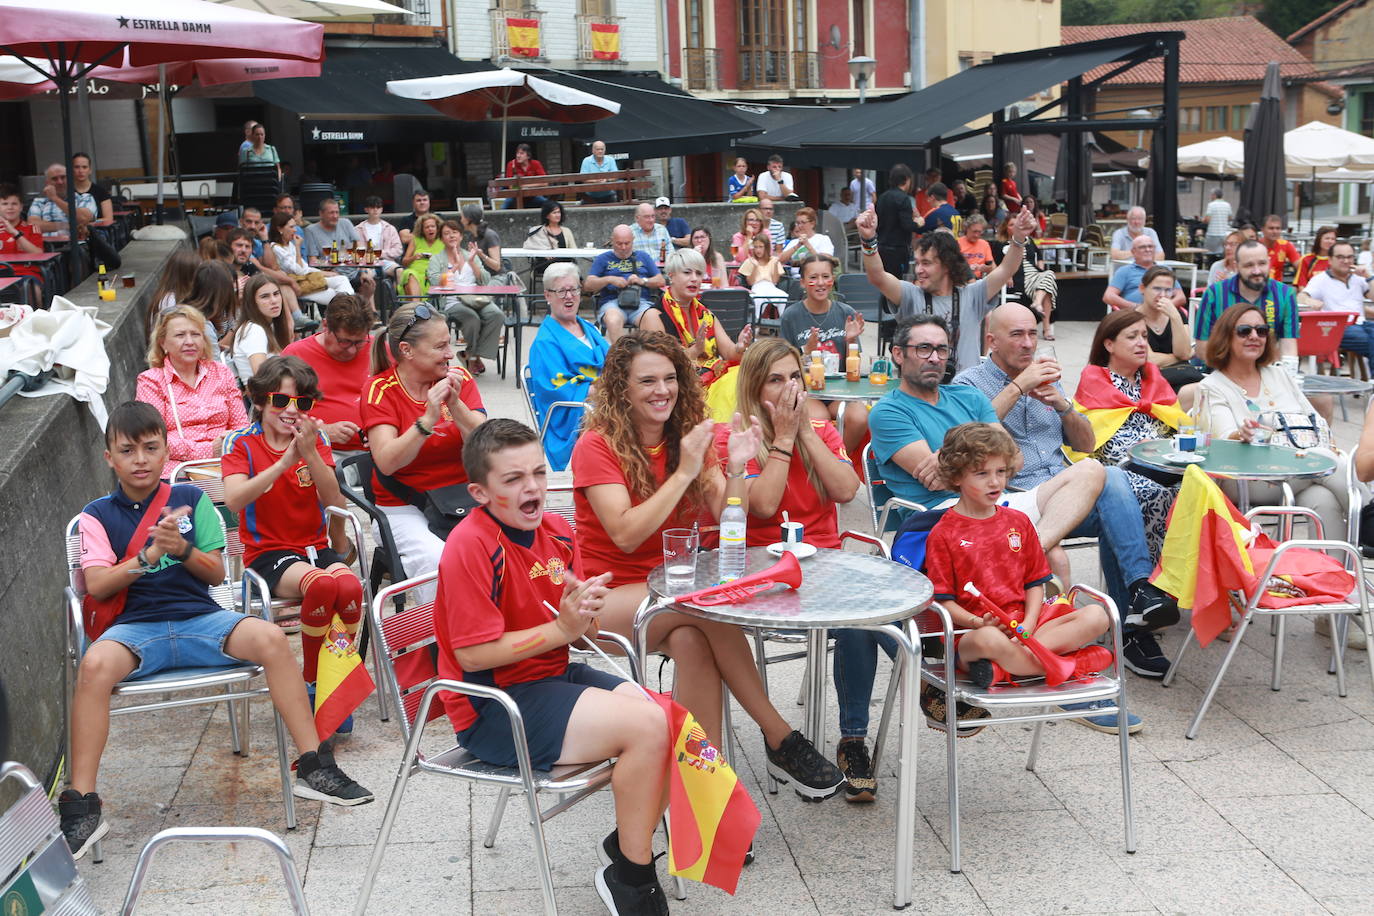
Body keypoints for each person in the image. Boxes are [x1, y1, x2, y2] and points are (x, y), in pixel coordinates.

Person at [60, 401, 372, 859]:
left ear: (167, 451)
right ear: (110, 457)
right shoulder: (95, 515)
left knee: (268, 638)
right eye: (128, 450)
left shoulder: (193, 500)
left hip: (201, 619)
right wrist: (145, 559)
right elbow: (99, 584)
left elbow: (215, 574)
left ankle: (313, 764)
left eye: (150, 447)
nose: (140, 459)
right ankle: (82, 804)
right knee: (92, 666)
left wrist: (181, 549)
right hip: (135, 628)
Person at [570, 332, 845, 799]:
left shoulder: (688, 439)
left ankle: (704, 798)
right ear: (622, 389)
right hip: (602, 601)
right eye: (647, 381)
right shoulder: (597, 446)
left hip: (670, 597)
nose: (663, 390)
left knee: (694, 643)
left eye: (671, 378)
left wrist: (734, 469)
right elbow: (626, 532)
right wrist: (684, 472)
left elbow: (727, 517)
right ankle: (779, 736)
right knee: (702, 609)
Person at [432, 418, 671, 912]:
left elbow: (578, 634)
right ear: (479, 492)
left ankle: (628, 851)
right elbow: (473, 655)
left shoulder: (558, 531)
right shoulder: (470, 545)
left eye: (539, 473)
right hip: (492, 706)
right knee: (647, 729)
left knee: (672, 720)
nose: (533, 488)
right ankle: (633, 877)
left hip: (549, 677)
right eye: (513, 480)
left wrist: (582, 615)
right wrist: (561, 630)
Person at [953, 303, 1181, 693]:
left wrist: (1064, 406)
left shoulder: (1049, 381)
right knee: (1112, 479)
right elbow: (967, 438)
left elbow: (1087, 443)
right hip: (1014, 498)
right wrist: (1018, 386)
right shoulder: (968, 384)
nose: (1028, 344)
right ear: (991, 340)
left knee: (1116, 487)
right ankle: (1131, 607)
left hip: (1065, 493)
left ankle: (1132, 610)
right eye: (1017, 335)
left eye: (1032, 334)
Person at [222, 357, 364, 730]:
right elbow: (235, 500)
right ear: (258, 401)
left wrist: (311, 454)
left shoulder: (313, 439)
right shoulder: (242, 443)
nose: (291, 411)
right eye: (280, 401)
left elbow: (334, 501)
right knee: (322, 584)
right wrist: (285, 462)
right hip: (267, 554)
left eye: (302, 403)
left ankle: (334, 679)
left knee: (348, 586)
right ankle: (312, 683)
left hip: (313, 548)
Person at [924, 423, 1111, 691]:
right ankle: (1073, 665)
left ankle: (1005, 669)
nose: (995, 481)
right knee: (988, 639)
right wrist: (977, 621)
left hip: (1027, 626)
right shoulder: (943, 533)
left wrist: (1028, 624)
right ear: (956, 478)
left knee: (1097, 615)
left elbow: (1034, 582)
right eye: (981, 473)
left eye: (1001, 471)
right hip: (973, 633)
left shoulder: (1019, 522)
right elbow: (943, 600)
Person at [1198, 302, 1351, 551]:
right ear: (1226, 336)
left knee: (1323, 500)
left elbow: (1316, 422)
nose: (1254, 337)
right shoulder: (1213, 386)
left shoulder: (1279, 375)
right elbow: (1223, 438)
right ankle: (1368, 516)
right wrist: (1242, 433)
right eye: (1244, 330)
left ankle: (1337, 581)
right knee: (1325, 461)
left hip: (1297, 471)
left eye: (1261, 330)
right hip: (1249, 478)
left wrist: (1328, 443)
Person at [361, 304, 486, 596]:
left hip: (461, 498)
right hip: (403, 507)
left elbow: (485, 446)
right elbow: (387, 462)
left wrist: (456, 406)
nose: (451, 354)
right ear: (407, 350)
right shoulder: (380, 389)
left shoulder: (458, 379)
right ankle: (436, 640)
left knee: (510, 546)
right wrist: (427, 420)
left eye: (451, 343)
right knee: (437, 562)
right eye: (441, 346)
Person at [856, 204, 1035, 374]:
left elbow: (1006, 269)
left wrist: (1019, 237)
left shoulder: (973, 295)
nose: (919, 270)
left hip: (964, 392)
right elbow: (877, 276)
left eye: (926, 263)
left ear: (947, 265)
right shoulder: (910, 295)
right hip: (919, 392)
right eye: (917, 263)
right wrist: (868, 239)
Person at [1071, 309, 1187, 556]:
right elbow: (1087, 439)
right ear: (1109, 344)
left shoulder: (1154, 379)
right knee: (1155, 493)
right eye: (1132, 336)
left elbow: (1177, 424)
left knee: (1199, 487)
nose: (1142, 343)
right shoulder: (1096, 382)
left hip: (1165, 464)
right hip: (1119, 471)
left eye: (1144, 336)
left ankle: (1191, 576)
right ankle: (1150, 583)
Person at [135, 307, 249, 476]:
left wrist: (228, 443)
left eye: (196, 334)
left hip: (227, 462)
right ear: (163, 342)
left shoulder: (221, 373)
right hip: (179, 470)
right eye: (180, 335)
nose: (189, 341)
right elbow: (153, 438)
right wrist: (208, 450)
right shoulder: (151, 381)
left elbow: (241, 426)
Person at [779, 254, 869, 454]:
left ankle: (839, 461)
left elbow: (853, 367)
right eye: (813, 278)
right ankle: (824, 469)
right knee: (818, 419)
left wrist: (851, 340)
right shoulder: (791, 316)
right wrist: (806, 351)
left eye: (825, 277)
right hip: (808, 391)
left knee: (859, 417)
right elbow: (782, 365)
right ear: (802, 282)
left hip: (840, 391)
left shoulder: (845, 312)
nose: (820, 283)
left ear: (833, 280)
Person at [528, 263, 609, 471]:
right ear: (547, 295)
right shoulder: (545, 342)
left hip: (602, 399)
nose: (569, 296)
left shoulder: (588, 327)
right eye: (561, 291)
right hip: (573, 412)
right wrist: (608, 391)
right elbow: (559, 388)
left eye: (573, 289)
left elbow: (614, 362)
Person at [639, 248, 752, 389]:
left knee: (749, 379)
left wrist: (740, 347)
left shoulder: (706, 315)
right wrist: (695, 351)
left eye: (698, 273)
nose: (694, 278)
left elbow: (729, 353)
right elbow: (661, 366)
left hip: (710, 379)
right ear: (671, 276)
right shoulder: (654, 316)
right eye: (687, 272)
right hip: (677, 389)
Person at [283, 295, 372, 458]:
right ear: (325, 326)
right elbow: (276, 412)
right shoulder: (296, 355)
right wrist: (322, 431)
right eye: (344, 342)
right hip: (324, 451)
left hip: (378, 449)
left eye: (359, 342)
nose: (352, 350)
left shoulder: (378, 350)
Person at [1194, 238, 1299, 363]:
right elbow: (1202, 348)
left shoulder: (1285, 294)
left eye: (1262, 263)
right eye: (1249, 265)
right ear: (1236, 266)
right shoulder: (1215, 294)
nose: (1256, 271)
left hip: (1267, 370)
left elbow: (1289, 348)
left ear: (1269, 263)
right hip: (1221, 370)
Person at [428, 219, 503, 376]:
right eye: (446, 233)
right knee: (472, 318)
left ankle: (470, 354)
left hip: (476, 298)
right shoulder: (436, 259)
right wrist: (454, 266)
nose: (451, 236)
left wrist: (472, 263)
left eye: (454, 232)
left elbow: (485, 280)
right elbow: (435, 282)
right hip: (452, 300)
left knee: (496, 315)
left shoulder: (471, 255)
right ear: (441, 238)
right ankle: (473, 356)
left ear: (461, 236)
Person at [1298, 240, 1374, 360]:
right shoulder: (1320, 280)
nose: (1346, 261)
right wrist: (1311, 302)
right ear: (1330, 260)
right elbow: (1301, 296)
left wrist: (1368, 276)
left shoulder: (1358, 279)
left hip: (1362, 323)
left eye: (1349, 257)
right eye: (1340, 257)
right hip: (1338, 327)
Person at [585, 225, 663, 340]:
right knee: (613, 319)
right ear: (612, 241)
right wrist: (609, 279)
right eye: (619, 244)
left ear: (633, 240)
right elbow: (588, 285)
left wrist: (642, 281)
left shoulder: (643, 256)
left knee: (654, 317)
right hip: (612, 303)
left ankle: (654, 354)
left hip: (640, 302)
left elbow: (660, 280)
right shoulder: (603, 258)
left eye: (627, 243)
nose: (623, 247)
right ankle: (619, 355)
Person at [1135, 266, 1203, 392]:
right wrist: (1180, 358)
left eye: (1168, 290)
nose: (1162, 295)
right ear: (1142, 289)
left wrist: (1175, 317)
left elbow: (1183, 352)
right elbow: (1150, 360)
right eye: (1157, 289)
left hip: (1182, 376)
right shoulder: (1133, 318)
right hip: (1150, 381)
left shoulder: (1176, 315)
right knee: (1201, 392)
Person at [269, 213, 354, 309]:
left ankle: (350, 312)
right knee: (337, 296)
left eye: (295, 226)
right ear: (280, 229)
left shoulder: (289, 245)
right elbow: (299, 271)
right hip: (299, 285)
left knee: (342, 279)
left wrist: (324, 273)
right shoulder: (276, 248)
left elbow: (305, 268)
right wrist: (298, 247)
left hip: (308, 280)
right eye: (291, 227)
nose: (295, 230)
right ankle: (351, 312)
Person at [300, 199, 375, 304]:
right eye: (331, 213)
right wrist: (330, 266)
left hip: (352, 270)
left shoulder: (345, 223)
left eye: (337, 212)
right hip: (330, 272)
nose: (335, 216)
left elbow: (359, 249)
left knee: (369, 283)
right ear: (321, 214)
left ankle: (368, 313)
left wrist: (363, 271)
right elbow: (312, 260)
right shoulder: (311, 230)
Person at [874, 164, 924, 313]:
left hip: (882, 247)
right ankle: (895, 319)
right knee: (897, 286)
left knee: (884, 284)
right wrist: (918, 223)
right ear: (907, 180)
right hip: (897, 249)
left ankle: (884, 318)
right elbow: (907, 225)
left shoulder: (882, 197)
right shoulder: (904, 199)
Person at [230, 274, 292, 384]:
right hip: (265, 397)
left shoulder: (269, 326)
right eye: (265, 296)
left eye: (276, 294)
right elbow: (262, 379)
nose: (273, 300)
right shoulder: (254, 330)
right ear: (252, 302)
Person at [1104, 234, 1186, 312]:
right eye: (1142, 247)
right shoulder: (1125, 271)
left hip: (1163, 314)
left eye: (1150, 246)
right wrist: (1136, 307)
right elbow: (1108, 296)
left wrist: (1164, 307)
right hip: (1134, 315)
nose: (1148, 249)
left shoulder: (1165, 270)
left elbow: (1181, 297)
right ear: (1133, 251)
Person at [0, 183, 44, 303]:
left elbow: (39, 254)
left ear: (21, 207)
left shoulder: (31, 228)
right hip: (1, 274)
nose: (10, 207)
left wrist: (15, 233)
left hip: (25, 274)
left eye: (14, 204)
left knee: (33, 289)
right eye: (5, 204)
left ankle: (36, 320)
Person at [181, 260, 239, 353]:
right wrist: (234, 330)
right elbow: (213, 357)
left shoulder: (224, 307)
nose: (234, 288)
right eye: (230, 284)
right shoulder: (198, 321)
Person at [148, 248, 202, 327]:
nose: (202, 276)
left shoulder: (180, 297)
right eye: (199, 272)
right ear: (187, 276)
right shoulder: (170, 302)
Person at [353, 195, 403, 279]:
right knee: (366, 277)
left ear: (382, 209)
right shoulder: (357, 229)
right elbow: (353, 251)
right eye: (372, 207)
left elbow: (398, 250)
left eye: (378, 207)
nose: (375, 209)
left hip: (386, 262)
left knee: (400, 271)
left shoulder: (390, 228)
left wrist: (380, 253)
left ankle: (398, 292)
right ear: (366, 209)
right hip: (365, 264)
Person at [398, 213, 443, 298]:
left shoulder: (443, 240)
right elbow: (404, 262)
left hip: (435, 274)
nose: (430, 229)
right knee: (409, 274)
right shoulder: (416, 239)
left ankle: (417, 307)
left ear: (437, 228)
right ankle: (416, 306)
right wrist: (414, 258)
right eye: (427, 227)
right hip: (415, 272)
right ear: (422, 230)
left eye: (432, 226)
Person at [779, 207, 834, 273]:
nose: (800, 226)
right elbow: (780, 260)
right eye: (798, 223)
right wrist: (797, 245)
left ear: (812, 224)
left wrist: (807, 245)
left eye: (803, 222)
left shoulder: (823, 239)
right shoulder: (794, 242)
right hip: (794, 279)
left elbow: (825, 262)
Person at [524, 200, 577, 264]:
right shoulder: (538, 231)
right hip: (544, 266)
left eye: (559, 212)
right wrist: (544, 254)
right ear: (547, 216)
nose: (558, 215)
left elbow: (574, 251)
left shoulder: (567, 231)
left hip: (565, 267)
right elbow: (531, 247)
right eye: (554, 213)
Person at [460, 203, 506, 278]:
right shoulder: (472, 236)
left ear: (468, 219)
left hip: (496, 277)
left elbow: (497, 266)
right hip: (480, 277)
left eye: (462, 217)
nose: (461, 220)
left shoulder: (490, 236)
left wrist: (482, 255)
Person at [501, 143, 548, 210]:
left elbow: (545, 183)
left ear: (528, 156)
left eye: (521, 153)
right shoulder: (511, 164)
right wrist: (522, 186)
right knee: (503, 208)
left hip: (532, 195)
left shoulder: (536, 164)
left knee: (548, 205)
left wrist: (525, 186)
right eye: (517, 153)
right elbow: (511, 186)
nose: (518, 156)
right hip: (515, 196)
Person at [1260, 214, 1301, 282]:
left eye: (1278, 228)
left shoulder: (1286, 245)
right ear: (1262, 230)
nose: (1275, 231)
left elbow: (1300, 266)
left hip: (1277, 288)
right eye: (1271, 228)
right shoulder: (1255, 246)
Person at [577, 139, 620, 203]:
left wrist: (607, 180)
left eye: (602, 149)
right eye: (598, 149)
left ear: (605, 150)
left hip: (609, 194)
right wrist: (596, 181)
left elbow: (616, 176)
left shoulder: (610, 160)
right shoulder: (586, 161)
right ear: (593, 150)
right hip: (590, 196)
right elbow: (583, 178)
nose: (600, 151)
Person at [957, 214, 994, 278]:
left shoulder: (984, 244)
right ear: (967, 229)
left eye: (979, 232)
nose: (976, 235)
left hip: (979, 279)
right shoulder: (958, 243)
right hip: (962, 278)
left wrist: (986, 268)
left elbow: (993, 267)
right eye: (974, 231)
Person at [1202, 189, 1234, 254]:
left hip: (1212, 233)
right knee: (1221, 253)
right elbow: (1230, 218)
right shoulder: (1227, 205)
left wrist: (1203, 220)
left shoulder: (1211, 205)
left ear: (1214, 195)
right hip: (1223, 233)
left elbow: (1207, 219)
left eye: (1211, 195)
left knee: (1209, 253)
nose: (1211, 196)